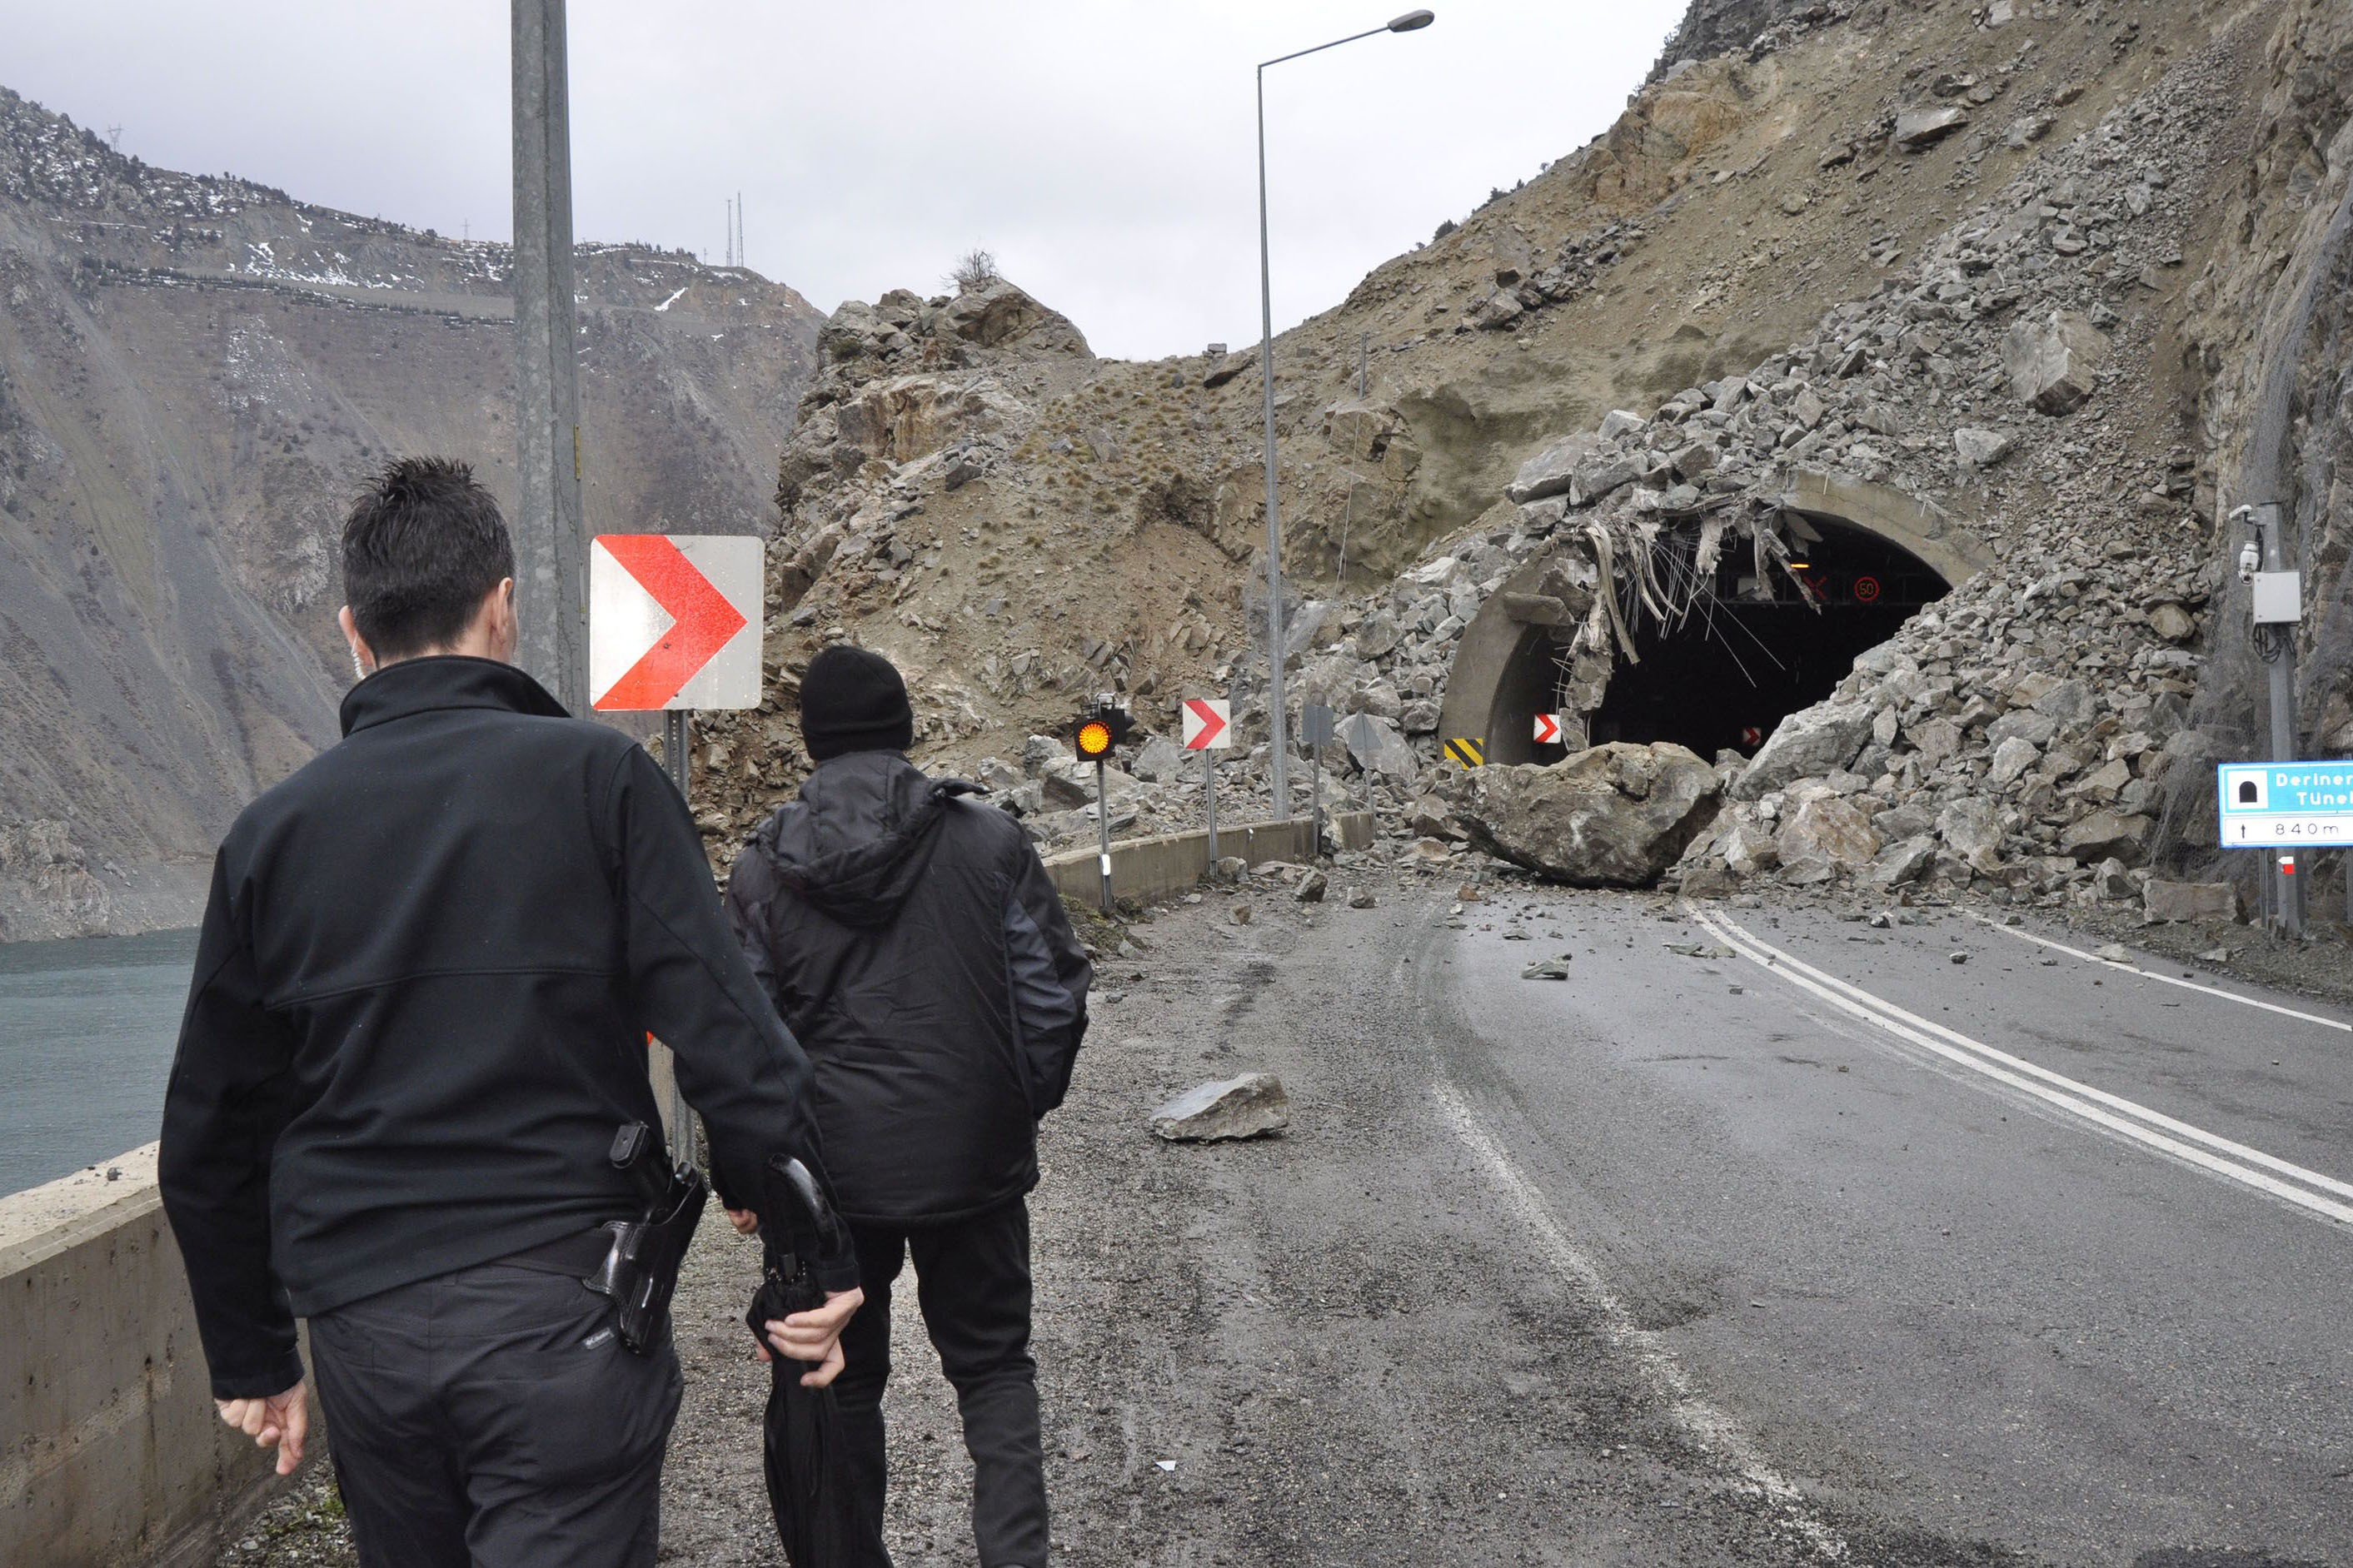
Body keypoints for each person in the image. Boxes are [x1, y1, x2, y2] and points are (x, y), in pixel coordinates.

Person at [157, 458, 862, 1568]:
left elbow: (210, 1127)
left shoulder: (269, 836)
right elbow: (731, 1039)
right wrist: (807, 1249)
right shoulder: (605, 784)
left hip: (366, 1336)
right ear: (504, 607)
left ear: (353, 632)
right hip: (565, 1315)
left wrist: (253, 1356)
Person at [725, 645, 1092, 1568]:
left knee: (842, 1380)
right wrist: (1010, 1108)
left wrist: (763, 1174)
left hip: (831, 1182)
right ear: (905, 732)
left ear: (809, 740)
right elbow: (1051, 999)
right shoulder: (988, 840)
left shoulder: (763, 869)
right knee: (994, 1366)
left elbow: (745, 1042)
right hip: (974, 1162)